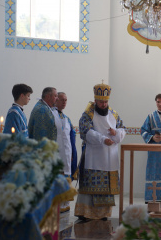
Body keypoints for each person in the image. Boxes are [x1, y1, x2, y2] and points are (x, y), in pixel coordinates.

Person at [74, 82, 126, 221]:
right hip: (94, 156)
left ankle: (104, 213)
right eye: (101, 102)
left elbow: (123, 129)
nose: (103, 104)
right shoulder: (88, 114)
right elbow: (85, 131)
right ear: (95, 100)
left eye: (105, 102)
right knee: (90, 186)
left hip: (110, 157)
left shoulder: (114, 114)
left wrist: (116, 133)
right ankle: (85, 213)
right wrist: (103, 139)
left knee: (106, 187)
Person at [52, 92, 78, 212]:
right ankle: (57, 203)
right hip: (56, 153)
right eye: (62, 99)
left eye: (66, 100)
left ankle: (64, 203)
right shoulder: (51, 115)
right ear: (56, 100)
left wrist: (73, 153)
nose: (64, 102)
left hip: (67, 154)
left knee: (66, 177)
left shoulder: (66, 118)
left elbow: (71, 137)